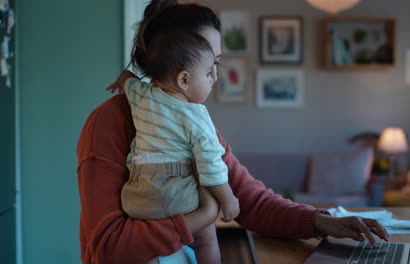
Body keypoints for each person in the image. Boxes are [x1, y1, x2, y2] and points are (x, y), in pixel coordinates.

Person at [77, 1, 390, 264]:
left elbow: (251, 201)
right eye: (208, 63)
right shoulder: (108, 123)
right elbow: (108, 247)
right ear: (180, 72)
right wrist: (205, 214)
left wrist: (323, 222)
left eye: (217, 61)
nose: (215, 74)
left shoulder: (197, 121)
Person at [108, 27, 239, 264]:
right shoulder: (196, 115)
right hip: (178, 192)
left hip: (138, 195)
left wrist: (121, 79)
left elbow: (128, 79)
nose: (215, 78)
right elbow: (211, 164)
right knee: (206, 239)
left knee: (147, 246)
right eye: (209, 72)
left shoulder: (142, 96)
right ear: (184, 79)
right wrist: (228, 199)